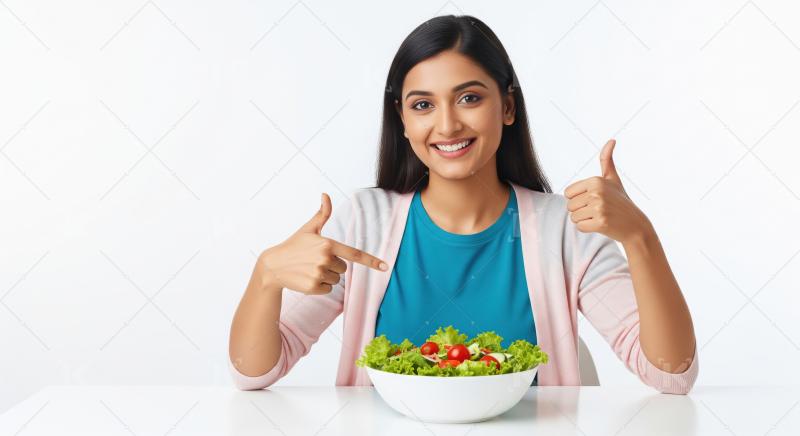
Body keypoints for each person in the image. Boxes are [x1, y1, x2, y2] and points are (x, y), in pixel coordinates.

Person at [228, 15, 698, 394]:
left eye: (469, 98)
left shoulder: (564, 228)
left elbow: (671, 375)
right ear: (403, 120)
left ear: (508, 107)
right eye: (423, 105)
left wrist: (641, 238)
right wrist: (266, 275)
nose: (448, 125)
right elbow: (254, 374)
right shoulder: (360, 222)